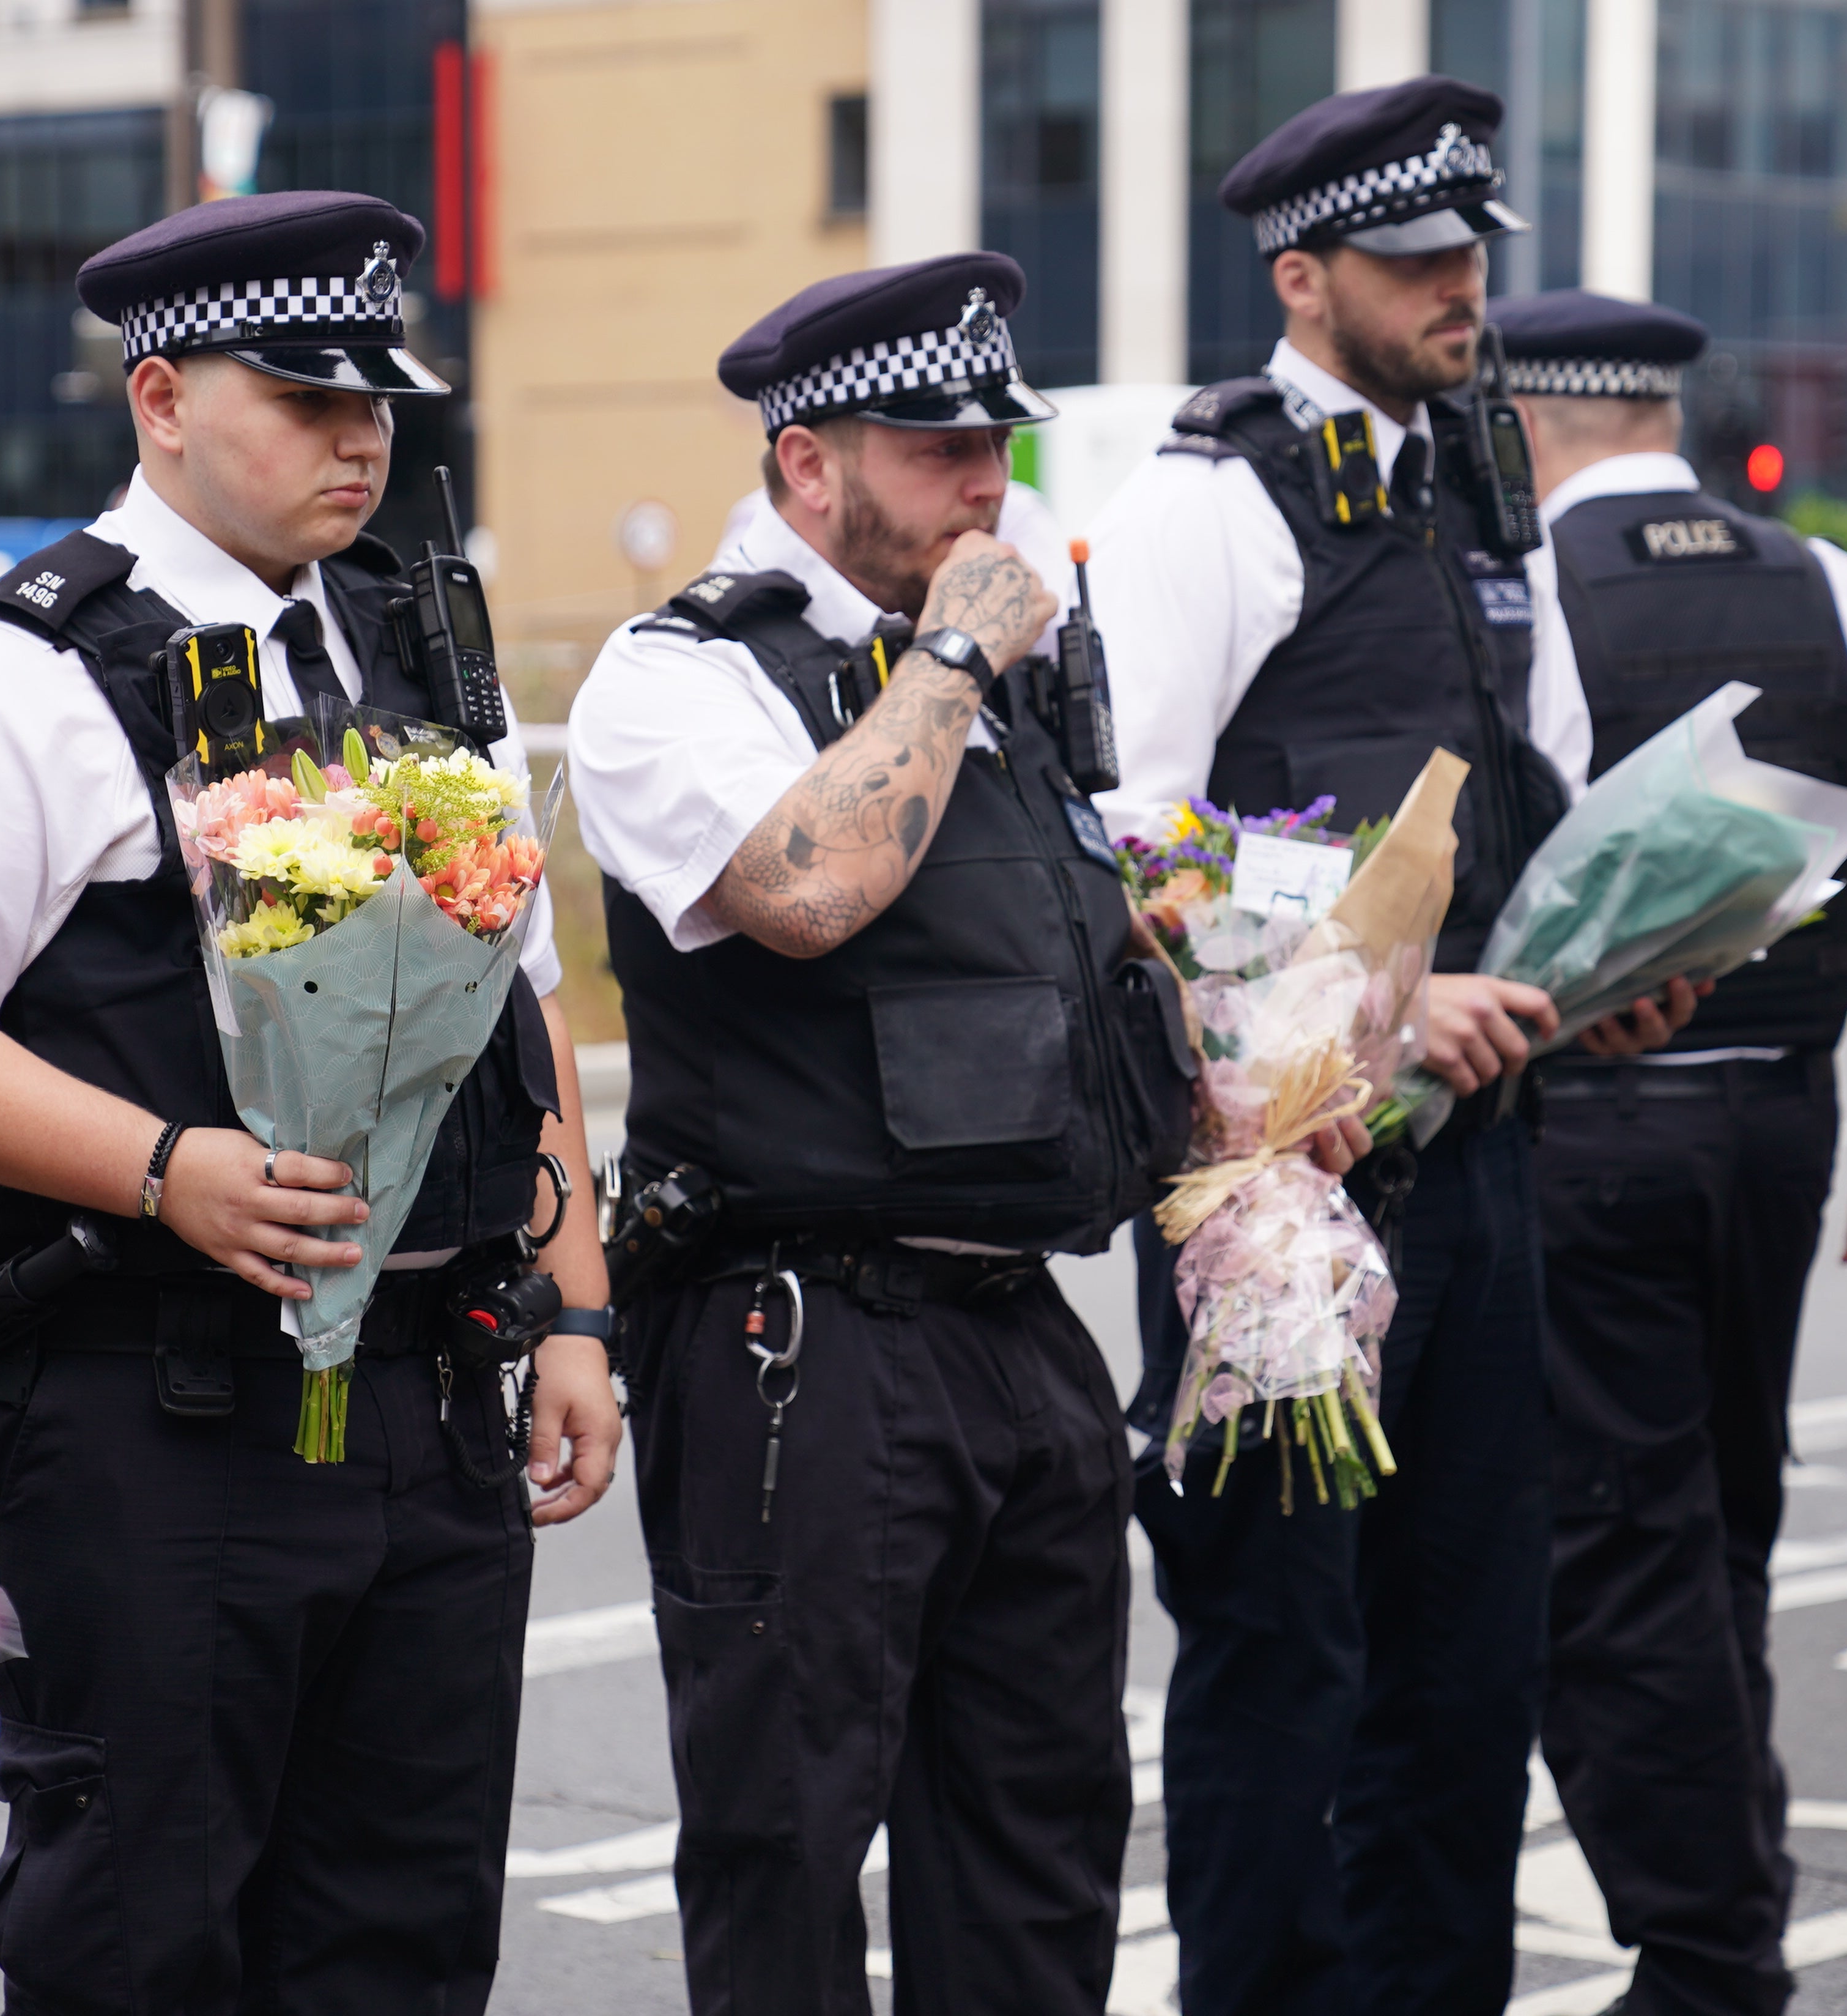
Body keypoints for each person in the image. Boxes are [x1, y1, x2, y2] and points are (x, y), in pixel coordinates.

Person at [0, 189, 622, 2015]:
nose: (361, 438)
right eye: (307, 399)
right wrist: (170, 1171)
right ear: (159, 396)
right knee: (144, 1937)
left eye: (379, 402)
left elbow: (526, 1008)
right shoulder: (18, 674)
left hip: (426, 1392)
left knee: (398, 1943)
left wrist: (574, 1304)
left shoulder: (425, 648)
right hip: (158, 1403)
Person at [1084, 76, 1695, 2015]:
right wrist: (1369, 993)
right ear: (1302, 276)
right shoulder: (1208, 500)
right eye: (1418, 262)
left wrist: (1621, 954)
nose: (1461, 293)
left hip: (1487, 1166)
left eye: (1470, 257)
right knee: (1283, 1669)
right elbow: (1132, 842)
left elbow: (1549, 791)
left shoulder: (1474, 483)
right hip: (1281, 1191)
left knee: (1468, 1663)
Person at [569, 253, 1206, 2015]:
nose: (985, 482)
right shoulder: (685, 672)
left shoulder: (1007, 668)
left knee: (1041, 1837)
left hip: (1020, 1329)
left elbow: (1089, 954)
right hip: (806, 1339)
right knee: (788, 1843)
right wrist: (947, 655)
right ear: (806, 467)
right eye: (936, 448)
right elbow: (811, 887)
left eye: (996, 441)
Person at [1493, 289, 1847, 2016]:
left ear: (1521, 421)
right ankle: (1728, 1905)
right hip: (1783, 1115)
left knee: (1610, 1549)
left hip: (1588, 1124)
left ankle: (1711, 1959)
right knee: (1723, 1523)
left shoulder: (1526, 598)